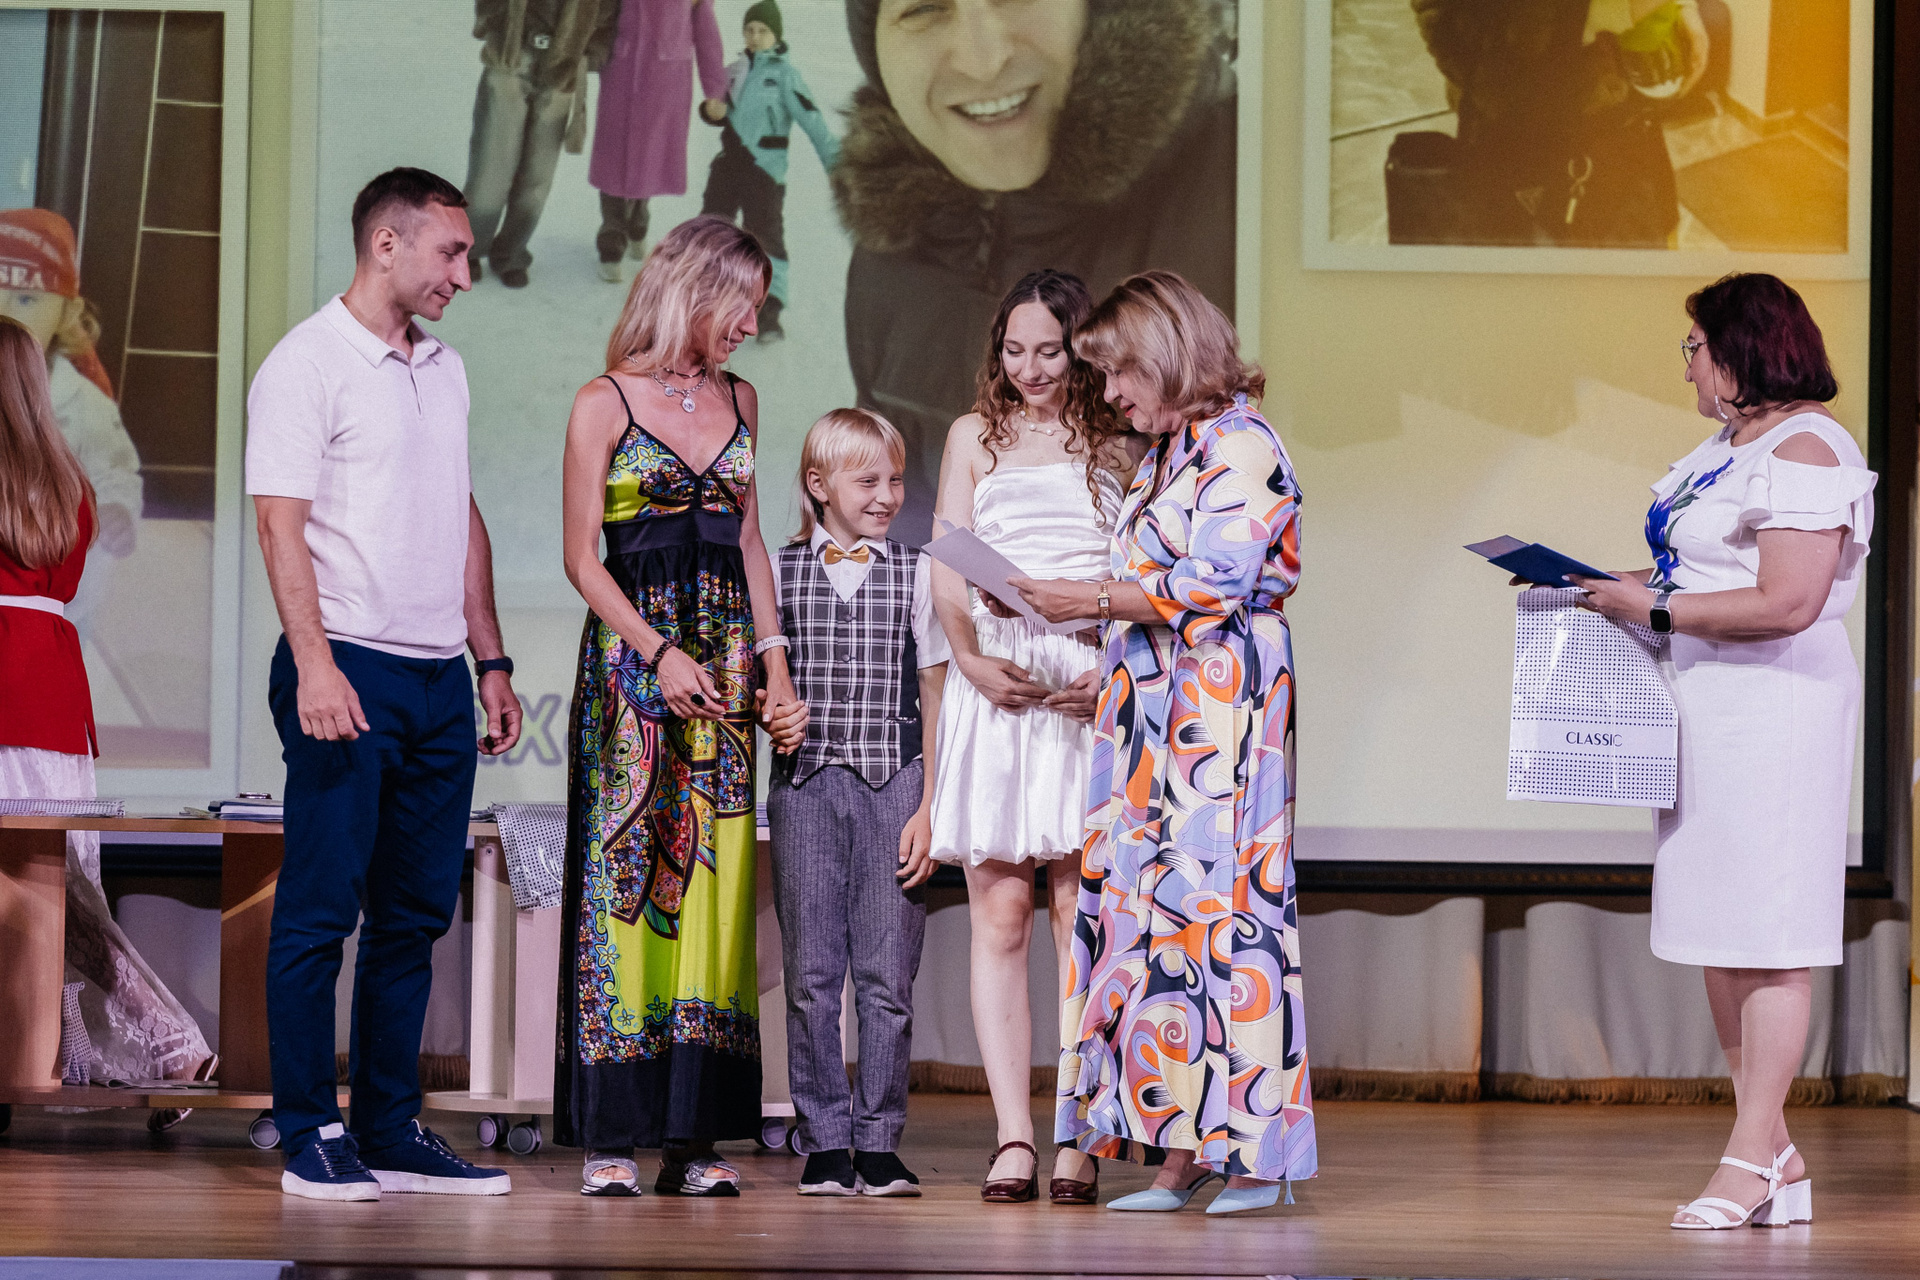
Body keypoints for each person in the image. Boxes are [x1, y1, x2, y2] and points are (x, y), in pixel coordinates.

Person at [1569, 273, 1872, 1230]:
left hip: (1776, 712)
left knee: (1769, 935)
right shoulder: (1726, 447)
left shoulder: (1809, 446)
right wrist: (1602, 585)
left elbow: (1789, 600)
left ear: (1742, 347)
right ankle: (1774, 1151)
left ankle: (1749, 1159)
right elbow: (1696, 572)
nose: (1688, 366)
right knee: (1720, 931)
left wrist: (1653, 608)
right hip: (1705, 706)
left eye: (1694, 346)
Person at [247, 167, 523, 1202]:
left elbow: (458, 510)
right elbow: (279, 524)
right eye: (451, 252)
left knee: (414, 917)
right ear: (386, 245)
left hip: (438, 676)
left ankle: (390, 1125)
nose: (466, 274)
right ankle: (308, 1128)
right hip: (347, 664)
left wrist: (489, 658)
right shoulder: (306, 362)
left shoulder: (444, 368)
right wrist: (315, 662)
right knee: (321, 908)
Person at [1014, 270, 1316, 1215]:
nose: (1109, 394)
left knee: (1226, 917)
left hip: (1220, 711)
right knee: (1158, 927)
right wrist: (1102, 667)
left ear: (1167, 358)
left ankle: (1256, 1159)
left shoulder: (1241, 445)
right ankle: (1181, 1154)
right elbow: (1148, 588)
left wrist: (1086, 599)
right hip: (1155, 714)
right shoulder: (1169, 452)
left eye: (1119, 374)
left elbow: (1211, 584)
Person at [556, 215, 802, 1197]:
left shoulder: (742, 399)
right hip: (634, 676)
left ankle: (693, 1139)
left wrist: (775, 665)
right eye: (741, 302)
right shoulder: (603, 400)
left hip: (728, 672)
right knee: (627, 886)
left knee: (715, 889)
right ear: (693, 288)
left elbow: (749, 542)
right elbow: (581, 558)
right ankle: (611, 1133)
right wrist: (657, 653)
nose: (751, 323)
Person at [833, 0, 1237, 540]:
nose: (983, 61)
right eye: (922, 7)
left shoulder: (1244, 182)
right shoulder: (894, 250)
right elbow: (905, 521)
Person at [924, 270, 1137, 1205]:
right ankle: (1013, 1134)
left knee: (1076, 919)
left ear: (1082, 348)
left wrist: (1112, 671)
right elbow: (946, 567)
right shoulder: (974, 436)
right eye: (1014, 351)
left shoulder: (1119, 437)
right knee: (1000, 914)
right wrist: (969, 660)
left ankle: (1077, 1134)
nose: (1031, 368)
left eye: (1049, 350)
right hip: (999, 685)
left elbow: (1142, 573)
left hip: (1084, 683)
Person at [0, 315, 214, 1122]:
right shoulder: (68, 486)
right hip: (55, 698)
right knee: (57, 892)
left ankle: (163, 1035)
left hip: (7, 687)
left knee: (40, 895)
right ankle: (121, 1045)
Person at [765, 408, 949, 1198]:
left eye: (895, 480)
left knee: (886, 976)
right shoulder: (778, 571)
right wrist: (770, 711)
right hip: (806, 788)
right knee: (811, 976)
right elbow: (761, 682)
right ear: (819, 485)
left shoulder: (916, 572)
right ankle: (825, 1140)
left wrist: (932, 804)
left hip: (894, 784)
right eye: (867, 480)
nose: (886, 495)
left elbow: (935, 691)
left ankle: (878, 1140)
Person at [1400, 0, 1710, 248]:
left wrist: (1682, 6)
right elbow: (1451, 27)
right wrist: (1605, 16)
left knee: (1645, 259)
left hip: (1626, 126)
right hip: (1523, 136)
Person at [0, 208, 142, 628]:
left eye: (26, 300)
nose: (4, 314)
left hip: (47, 589)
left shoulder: (83, 405)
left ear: (66, 313)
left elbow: (114, 471)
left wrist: (117, 510)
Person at [699, 0, 840, 341]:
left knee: (764, 236)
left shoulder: (785, 76)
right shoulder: (733, 71)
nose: (755, 36)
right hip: (729, 163)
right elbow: (716, 108)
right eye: (749, 30)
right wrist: (710, 110)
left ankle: (770, 309)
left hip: (764, 169)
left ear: (776, 35)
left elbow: (813, 121)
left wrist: (837, 166)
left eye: (763, 31)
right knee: (713, 226)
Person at [462, 0, 619, 287]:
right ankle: (467, 250)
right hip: (511, 58)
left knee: (537, 176)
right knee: (491, 168)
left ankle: (511, 253)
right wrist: (493, 27)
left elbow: (609, 13)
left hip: (561, 69)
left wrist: (589, 53)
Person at [589, 0, 729, 283]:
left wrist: (715, 89)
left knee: (649, 157)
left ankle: (638, 221)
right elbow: (597, 12)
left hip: (665, 81)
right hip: (621, 72)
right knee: (614, 156)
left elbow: (706, 30)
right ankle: (611, 239)